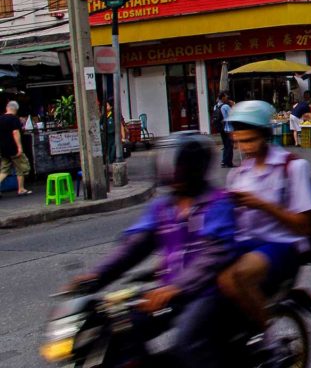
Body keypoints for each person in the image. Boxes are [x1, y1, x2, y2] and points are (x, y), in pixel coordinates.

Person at [67, 133, 236, 367]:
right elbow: (134, 246)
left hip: (206, 292)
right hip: (168, 292)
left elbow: (212, 256)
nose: (172, 172)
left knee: (189, 343)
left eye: (178, 165)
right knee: (122, 330)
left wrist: (176, 287)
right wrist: (96, 276)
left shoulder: (217, 203)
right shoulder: (163, 207)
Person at [219, 100, 311, 333]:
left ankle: (268, 339)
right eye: (239, 141)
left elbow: (303, 225)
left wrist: (261, 205)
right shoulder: (238, 175)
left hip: (282, 245)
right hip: (246, 244)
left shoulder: (293, 167)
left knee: (236, 277)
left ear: (265, 135)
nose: (245, 147)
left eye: (250, 140)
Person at [0, 101, 30, 196]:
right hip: (14, 149)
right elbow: (15, 133)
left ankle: (21, 189)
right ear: (16, 109)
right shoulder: (14, 119)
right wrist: (19, 147)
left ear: (7, 108)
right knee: (21, 168)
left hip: (4, 149)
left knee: (4, 171)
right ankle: (21, 189)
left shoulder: (0, 118)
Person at [216, 93, 235, 168]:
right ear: (223, 98)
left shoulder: (216, 106)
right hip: (229, 128)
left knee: (226, 145)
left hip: (221, 129)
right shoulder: (226, 106)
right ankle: (228, 162)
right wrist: (233, 105)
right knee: (229, 146)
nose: (227, 98)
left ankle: (224, 161)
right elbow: (233, 115)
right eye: (226, 96)